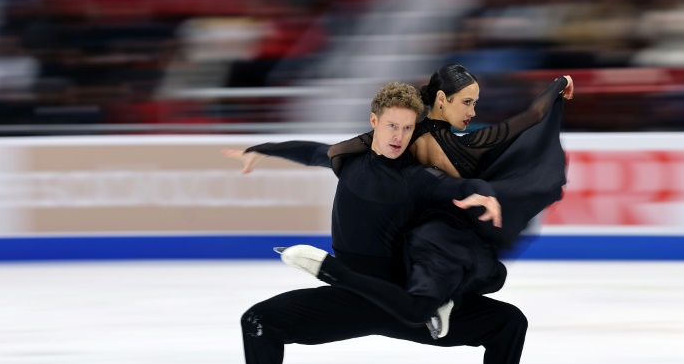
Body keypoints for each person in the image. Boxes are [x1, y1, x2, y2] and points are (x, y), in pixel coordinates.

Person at [219, 81, 538, 364]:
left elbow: (455, 187)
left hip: (406, 305)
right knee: (258, 320)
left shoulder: (418, 177)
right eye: (391, 127)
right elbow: (311, 152)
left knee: (508, 324)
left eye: (407, 129)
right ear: (374, 122)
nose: (398, 137)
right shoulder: (347, 160)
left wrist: (482, 192)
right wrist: (262, 150)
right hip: (350, 301)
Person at [241, 65, 573, 338]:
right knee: (443, 259)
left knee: (488, 274)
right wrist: (558, 84)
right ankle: (429, 295)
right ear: (442, 99)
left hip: (447, 219)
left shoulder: (447, 137)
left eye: (475, 103)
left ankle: (441, 296)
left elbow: (531, 117)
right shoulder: (423, 133)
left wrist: (558, 84)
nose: (473, 111)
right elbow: (322, 153)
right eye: (467, 102)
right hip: (421, 222)